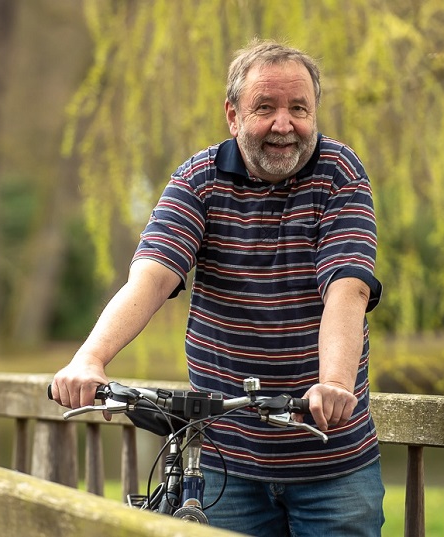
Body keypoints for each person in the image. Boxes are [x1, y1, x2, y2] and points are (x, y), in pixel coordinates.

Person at [51, 38, 385, 536]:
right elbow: (152, 277)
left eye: (299, 108)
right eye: (265, 108)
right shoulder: (199, 179)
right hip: (226, 467)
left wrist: (335, 383)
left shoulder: (340, 174)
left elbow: (347, 287)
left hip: (331, 459)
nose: (284, 124)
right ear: (233, 116)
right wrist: (90, 359)